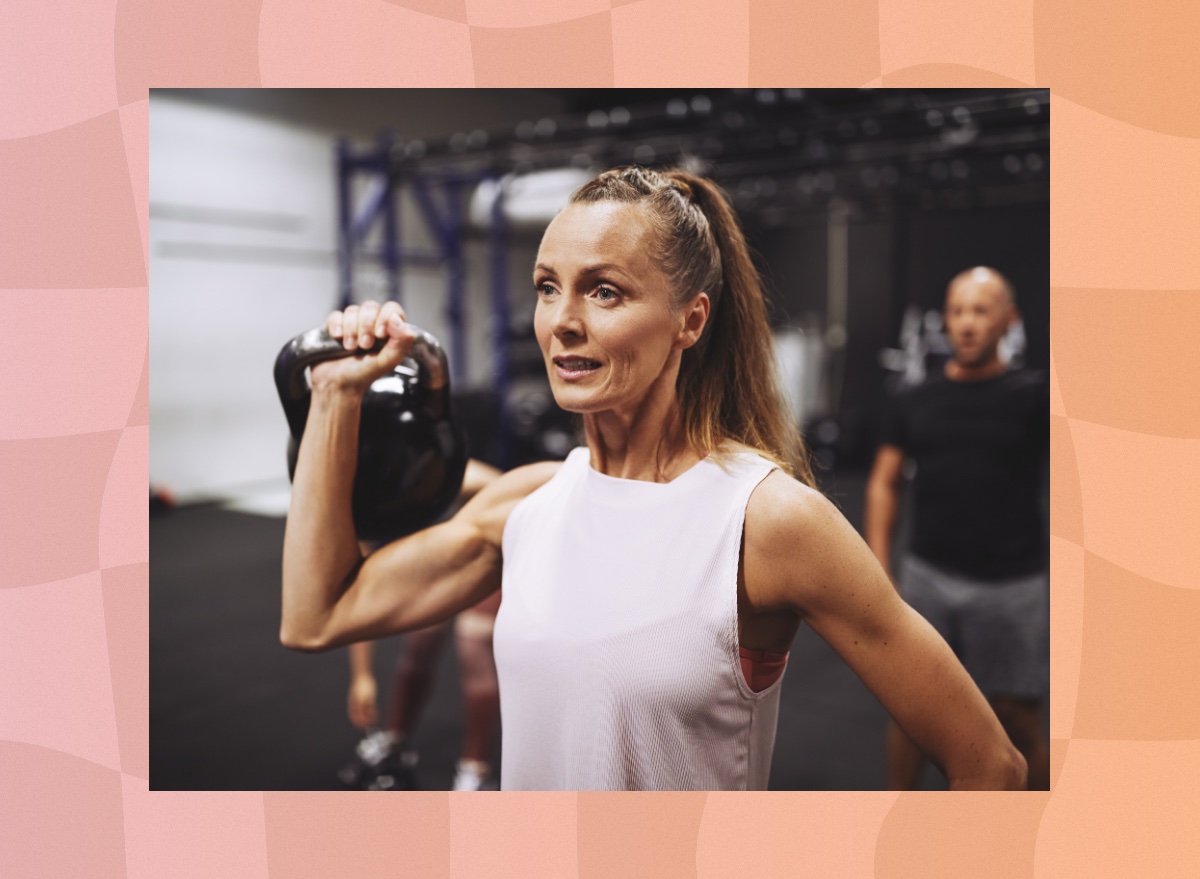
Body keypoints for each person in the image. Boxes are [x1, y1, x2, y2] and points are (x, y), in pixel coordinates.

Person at [281, 166, 1026, 791]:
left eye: (604, 291)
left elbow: (989, 765)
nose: (563, 321)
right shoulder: (529, 501)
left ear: (690, 320)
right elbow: (315, 615)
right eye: (548, 287)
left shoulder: (766, 520)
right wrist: (337, 395)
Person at [865, 267, 1050, 790]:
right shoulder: (914, 400)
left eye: (981, 310)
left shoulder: (1035, 399)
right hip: (930, 578)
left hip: (1012, 586)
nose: (967, 323)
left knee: (1018, 717)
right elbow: (884, 483)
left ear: (1008, 319)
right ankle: (898, 824)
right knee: (912, 717)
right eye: (958, 311)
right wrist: (881, 571)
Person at [341, 461, 504, 792]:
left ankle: (474, 770)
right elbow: (352, 598)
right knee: (421, 640)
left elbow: (507, 495)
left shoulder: (460, 476)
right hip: (440, 550)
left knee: (474, 644)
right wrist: (362, 676)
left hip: (489, 538)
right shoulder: (364, 509)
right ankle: (396, 741)